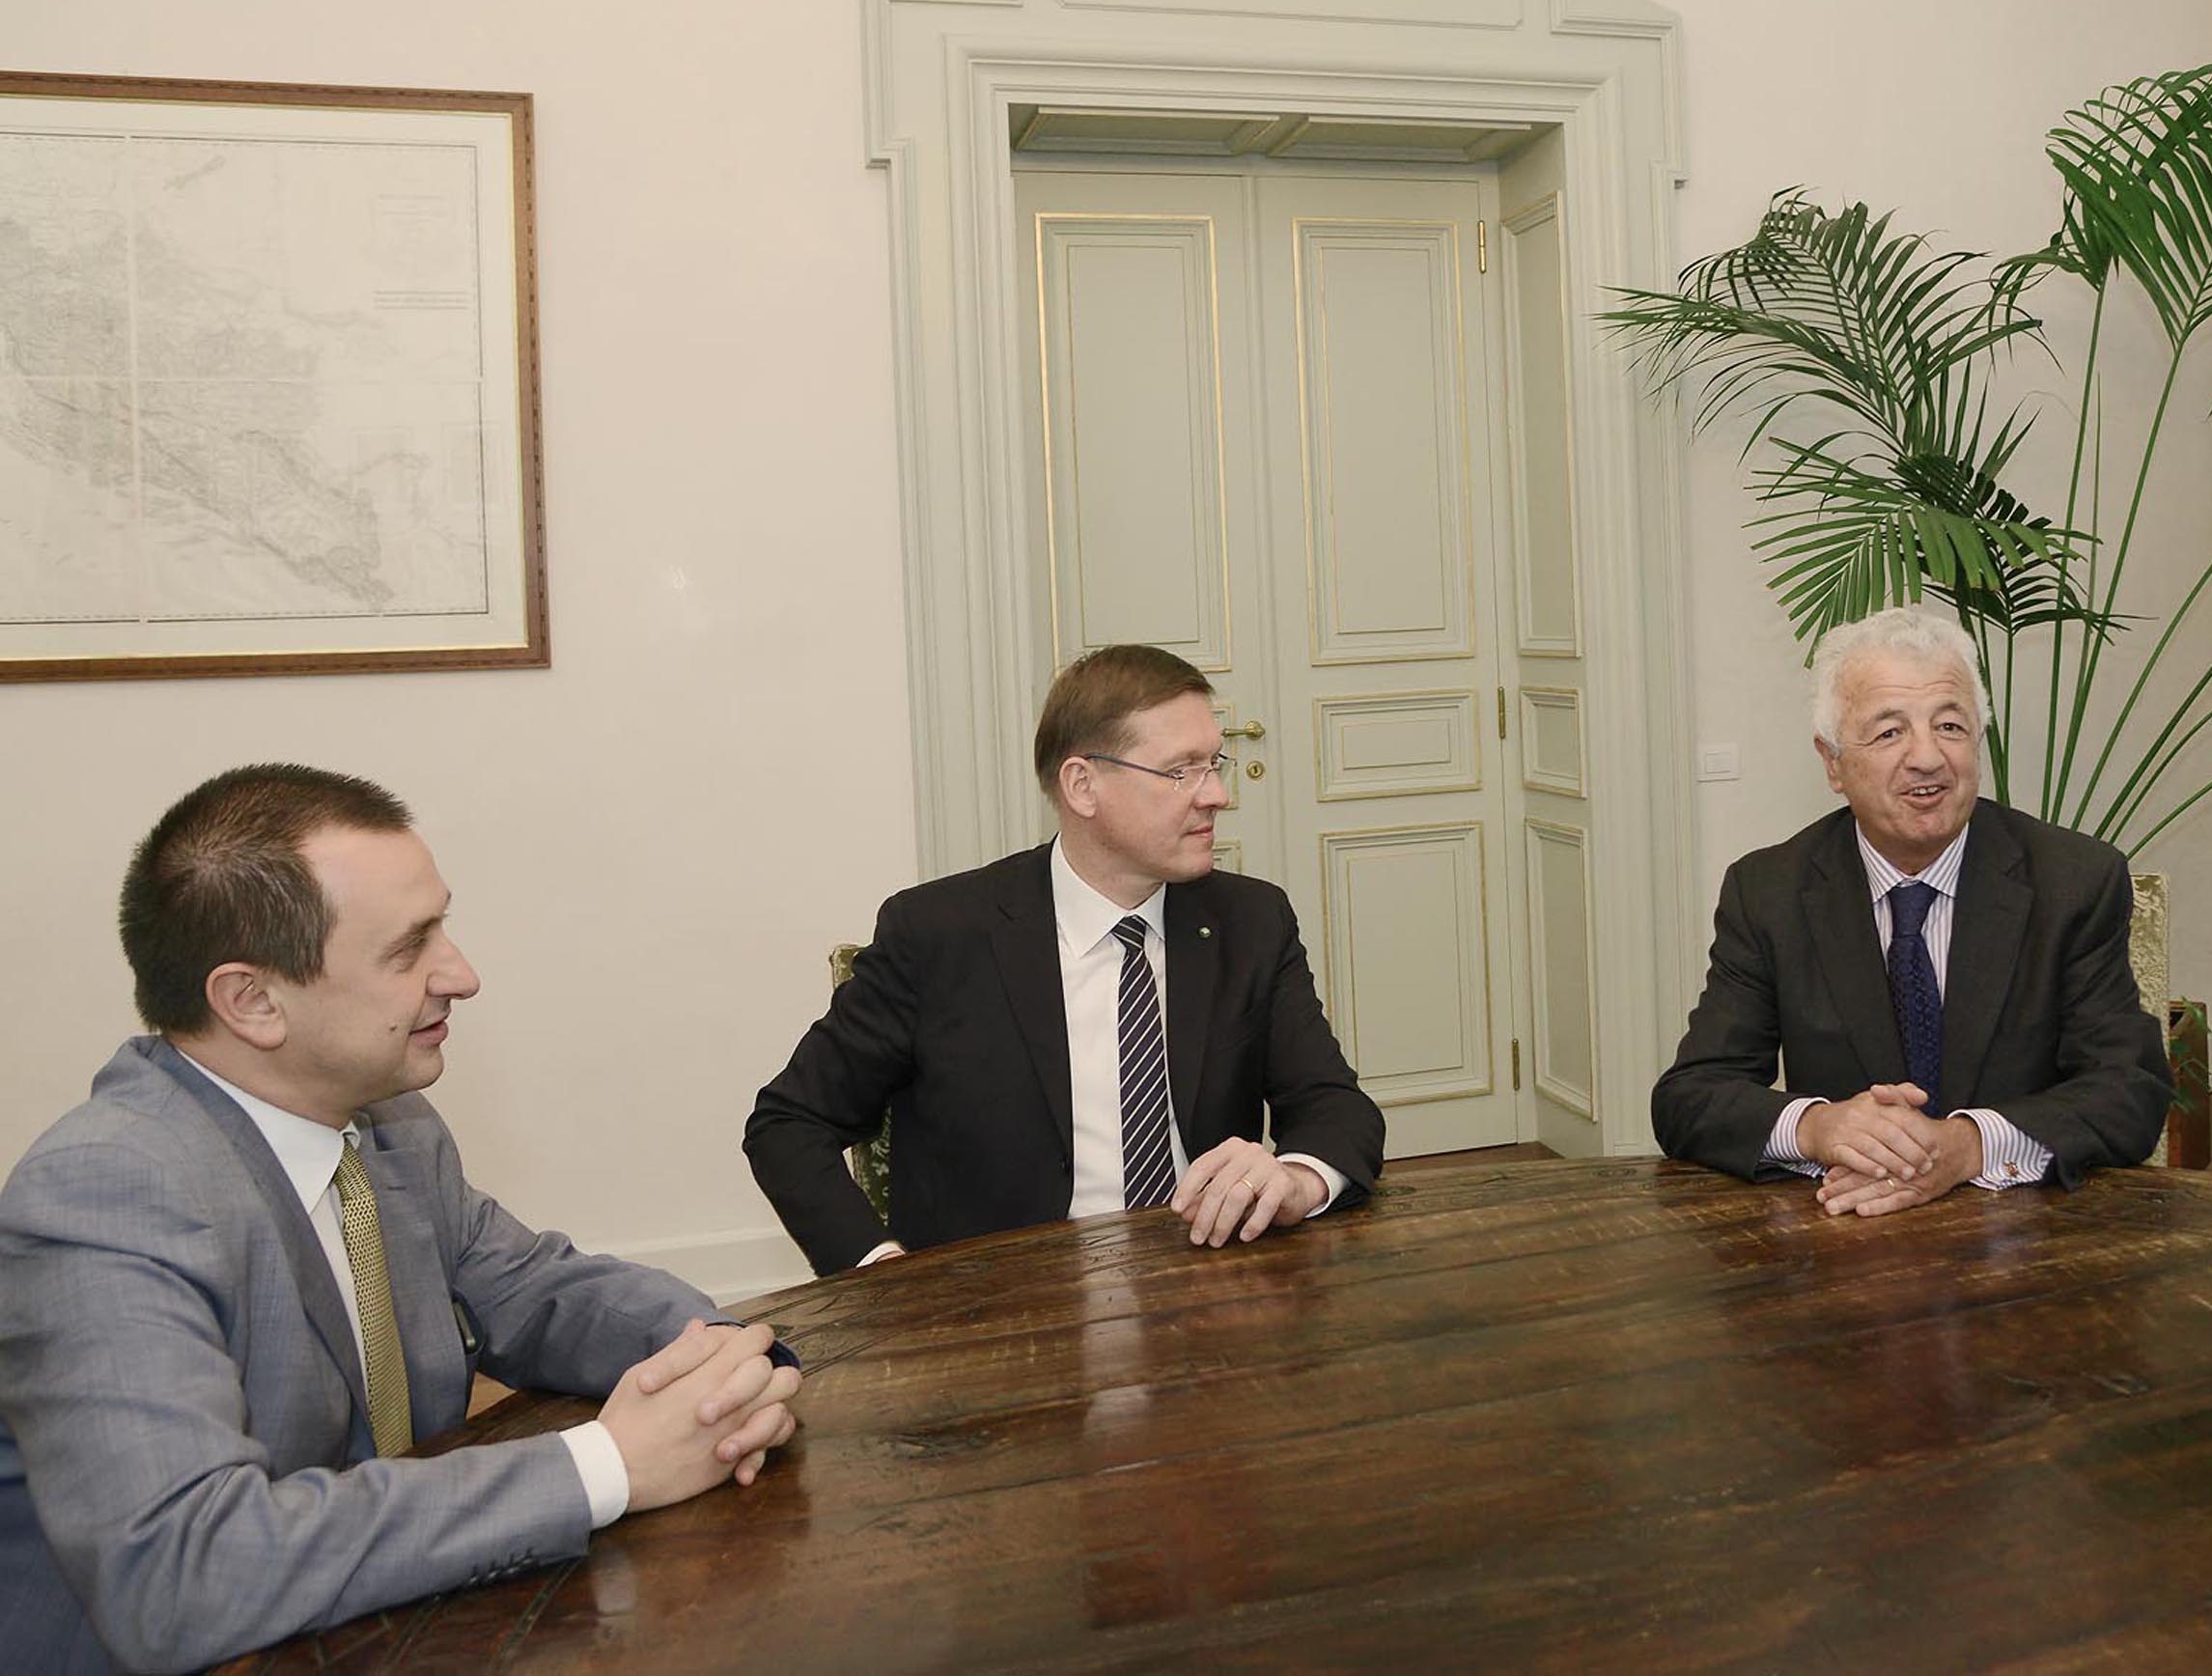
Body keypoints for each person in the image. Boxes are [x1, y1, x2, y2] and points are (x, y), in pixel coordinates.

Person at [0, 767, 803, 1676]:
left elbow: (537, 1289)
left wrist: (726, 1365)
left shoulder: (386, 1124)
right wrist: (606, 1465)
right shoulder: (103, 1192)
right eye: (409, 948)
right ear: (253, 1001)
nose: (461, 974)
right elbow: (183, 1573)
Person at [746, 643, 1385, 1272]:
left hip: (1205, 1290)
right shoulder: (938, 934)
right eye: (1181, 770)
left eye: (1214, 762)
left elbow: (1335, 1105)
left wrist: (1297, 1178)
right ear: (1082, 784)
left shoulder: (1250, 921)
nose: (1216, 793)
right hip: (998, 1316)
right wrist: (885, 1275)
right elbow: (789, 1123)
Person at [1652, 602, 2172, 1212]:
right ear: (1832, 763)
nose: (1927, 757)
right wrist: (1818, 1128)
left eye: (1950, 727)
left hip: (2026, 1238)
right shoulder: (1770, 892)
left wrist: (1969, 1144)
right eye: (1890, 731)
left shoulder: (2073, 881)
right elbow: (1690, 1096)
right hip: (1847, 1235)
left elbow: (2129, 1091)